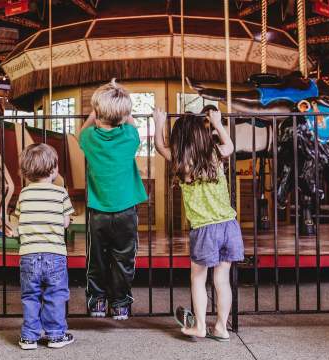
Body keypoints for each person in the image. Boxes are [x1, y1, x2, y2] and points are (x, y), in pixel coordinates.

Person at [153, 108, 243, 341]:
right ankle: (222, 328)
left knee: (198, 278)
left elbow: (159, 147)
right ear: (203, 136)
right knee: (222, 280)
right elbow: (231, 146)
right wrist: (218, 123)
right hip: (229, 226)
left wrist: (159, 123)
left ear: (179, 139)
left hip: (205, 229)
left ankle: (200, 326)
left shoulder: (182, 161)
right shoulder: (215, 155)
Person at [79, 79, 147, 320]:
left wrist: (95, 112)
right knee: (124, 257)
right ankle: (120, 304)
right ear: (124, 114)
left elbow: (83, 130)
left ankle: (96, 301)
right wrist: (122, 106)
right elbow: (132, 121)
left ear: (98, 112)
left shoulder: (89, 139)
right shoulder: (130, 136)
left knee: (96, 257)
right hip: (126, 210)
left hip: (98, 209)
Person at [15, 143, 75, 350]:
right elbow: (65, 221)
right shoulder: (60, 194)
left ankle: (29, 337)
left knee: (30, 296)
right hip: (55, 254)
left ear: (26, 171)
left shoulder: (23, 194)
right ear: (54, 169)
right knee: (55, 295)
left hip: (29, 255)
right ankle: (55, 335)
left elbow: (19, 219)